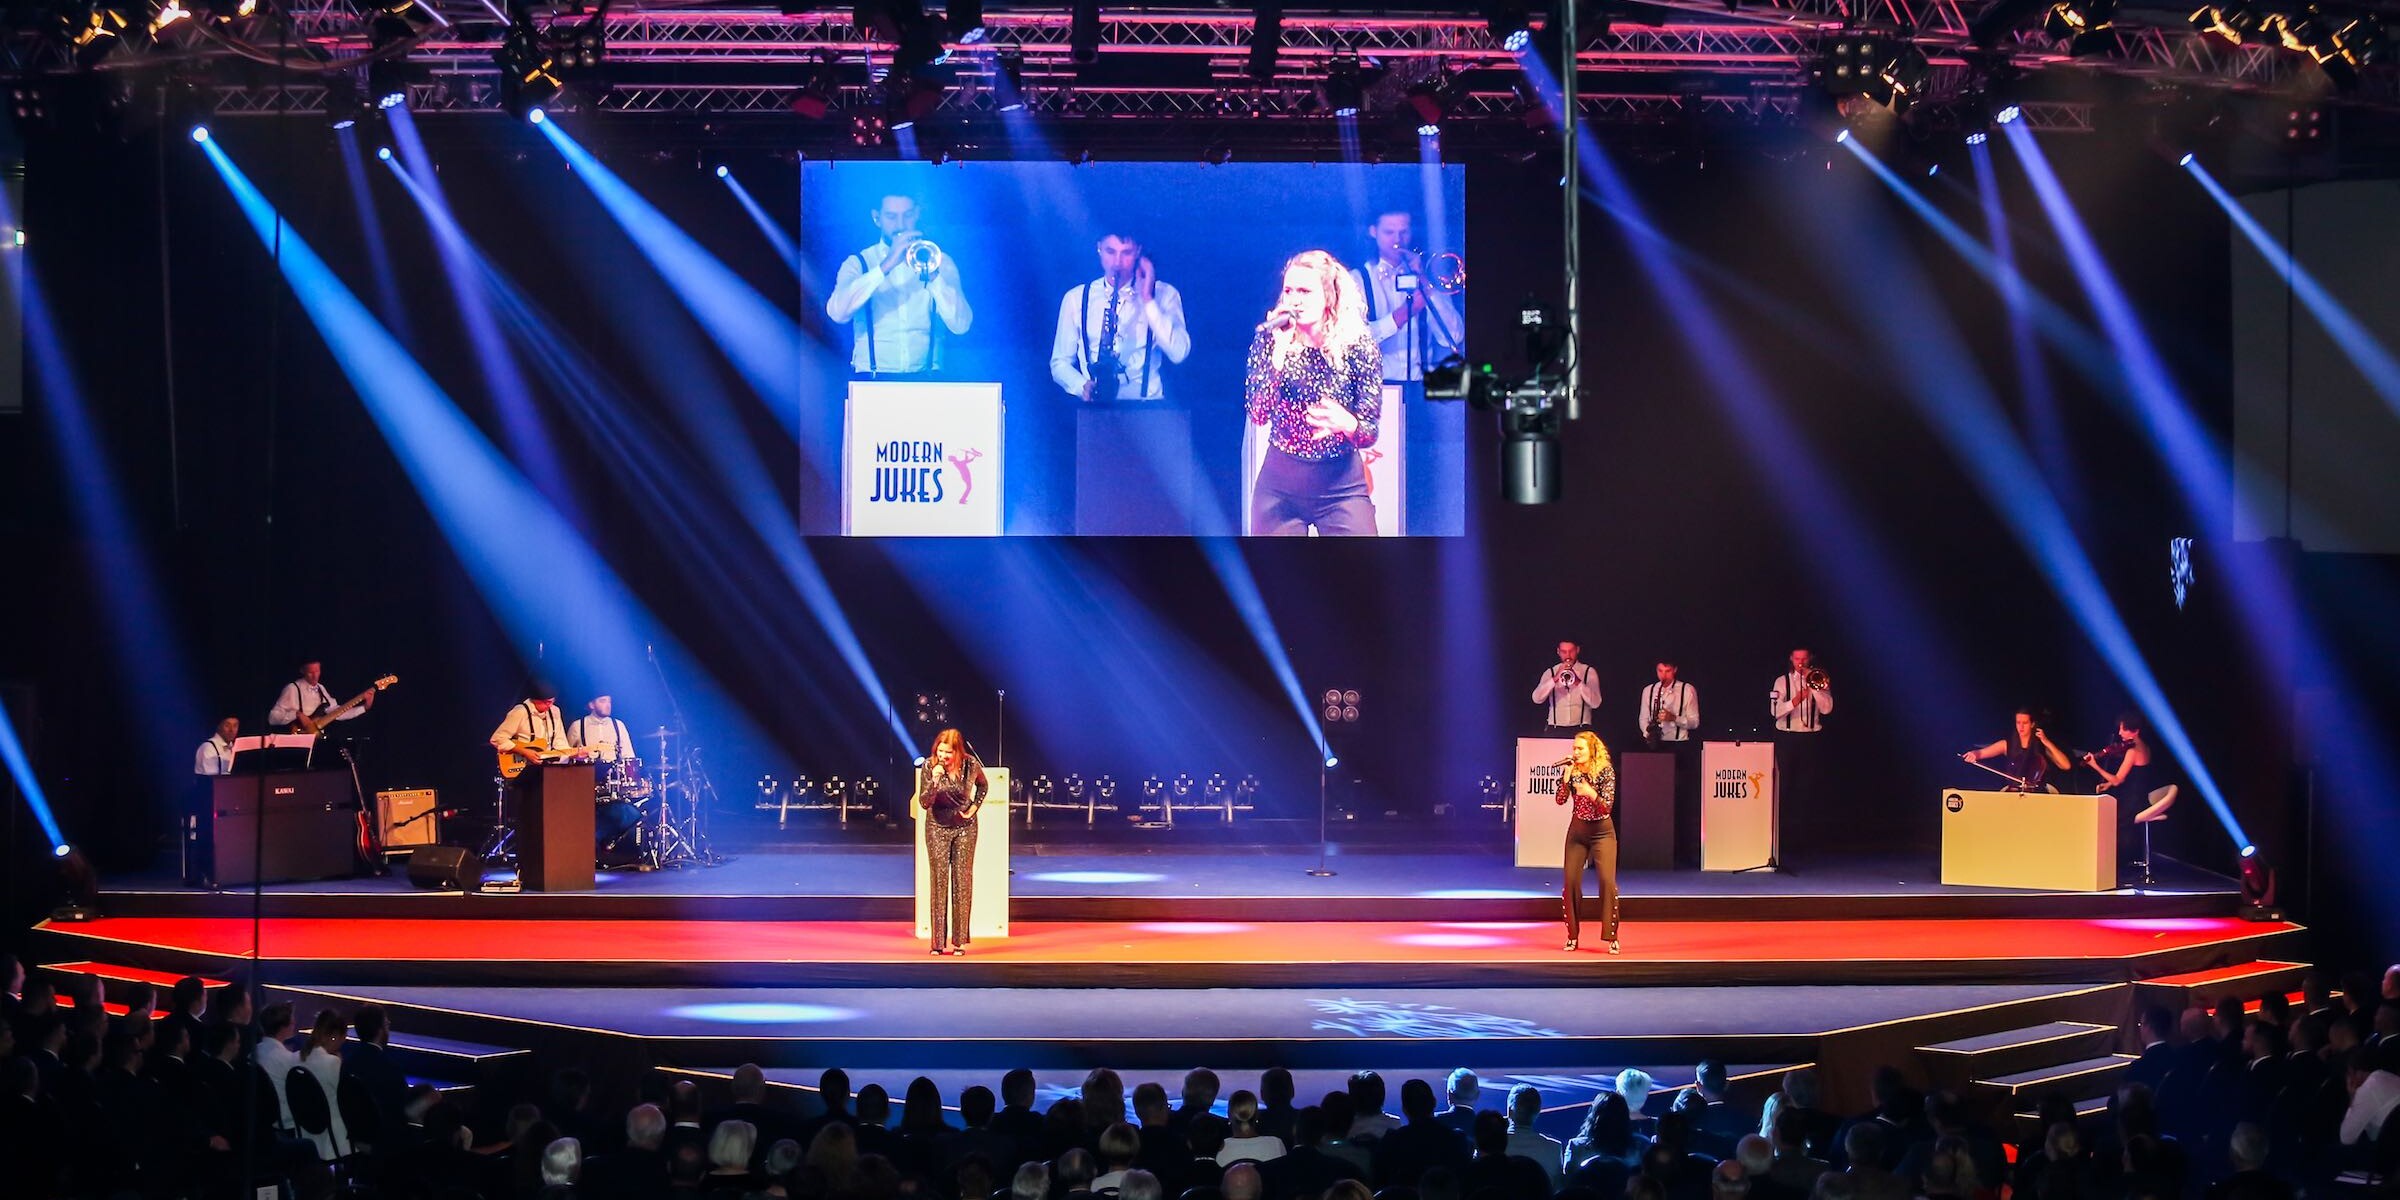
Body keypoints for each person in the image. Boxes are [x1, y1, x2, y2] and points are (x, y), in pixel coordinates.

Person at [1243, 248, 1383, 536]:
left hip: (1341, 486)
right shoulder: (1269, 340)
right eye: (1289, 290)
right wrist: (1279, 353)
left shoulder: (1358, 346)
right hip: (1280, 488)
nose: (1294, 299)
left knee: (1361, 575)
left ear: (1328, 296)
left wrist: (1348, 423)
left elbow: (1369, 432)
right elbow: (1258, 412)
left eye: (1305, 291)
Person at [1349, 209, 1466, 535]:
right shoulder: (1359, 279)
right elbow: (1355, 337)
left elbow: (1452, 335)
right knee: (1385, 472)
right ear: (1373, 231)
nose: (1398, 241)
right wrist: (1401, 316)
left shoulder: (1423, 277)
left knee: (1424, 470)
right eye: (1389, 232)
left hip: (1422, 387)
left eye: (1404, 232)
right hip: (1380, 388)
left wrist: (1430, 290)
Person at [824, 193, 972, 377]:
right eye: (891, 216)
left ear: (918, 213)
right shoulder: (859, 263)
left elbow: (961, 325)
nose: (900, 225)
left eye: (908, 215)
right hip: (872, 379)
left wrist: (934, 276)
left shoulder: (940, 261)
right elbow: (837, 313)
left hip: (927, 378)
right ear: (876, 218)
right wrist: (885, 266)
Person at [1051, 232, 1192, 402]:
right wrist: (1081, 385)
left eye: (1126, 253)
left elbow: (1179, 353)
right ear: (1099, 249)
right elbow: (1060, 363)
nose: (1117, 263)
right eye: (1110, 252)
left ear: (1138, 252)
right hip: (1096, 411)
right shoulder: (1076, 298)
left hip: (1149, 411)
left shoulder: (1164, 294)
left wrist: (1148, 300)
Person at [913, 727, 988, 955]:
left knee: (962, 882)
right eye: (940, 751)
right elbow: (925, 802)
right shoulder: (929, 766)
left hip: (965, 827)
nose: (943, 756)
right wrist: (934, 780)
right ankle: (937, 943)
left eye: (948, 752)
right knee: (939, 881)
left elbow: (983, 786)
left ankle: (959, 942)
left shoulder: (971, 765)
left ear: (958, 752)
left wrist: (975, 807)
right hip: (937, 827)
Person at [1554, 730, 1621, 953]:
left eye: (1580, 748)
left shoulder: (1605, 771)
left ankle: (1611, 936)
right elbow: (1560, 800)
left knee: (1606, 882)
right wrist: (1565, 780)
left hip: (1602, 831)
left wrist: (1590, 792)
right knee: (1570, 882)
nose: (1575, 752)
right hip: (1578, 831)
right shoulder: (1572, 771)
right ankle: (1572, 935)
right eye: (1574, 748)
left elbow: (1607, 807)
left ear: (1592, 750)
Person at [1961, 709, 2073, 792]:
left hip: (2038, 793)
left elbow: (2066, 765)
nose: (2021, 727)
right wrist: (1974, 754)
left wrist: (2047, 742)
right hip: (2013, 792)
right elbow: (1982, 753)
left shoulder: (2041, 745)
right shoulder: (2007, 744)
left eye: (2025, 723)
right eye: (2018, 722)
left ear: (2032, 724)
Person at [269, 660, 375, 733]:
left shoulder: (321, 689)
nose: (315, 676)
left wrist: (364, 707)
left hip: (316, 739)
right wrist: (297, 714)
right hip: (296, 741)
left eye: (317, 671)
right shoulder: (292, 689)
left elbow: (337, 713)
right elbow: (272, 718)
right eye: (311, 672)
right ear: (303, 671)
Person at [490, 680, 576, 767]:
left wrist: (572, 754)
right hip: (523, 765)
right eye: (547, 702)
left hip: (548, 766)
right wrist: (524, 752)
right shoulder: (520, 712)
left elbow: (560, 741)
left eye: (552, 701)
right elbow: (497, 739)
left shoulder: (555, 711)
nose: (550, 705)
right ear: (535, 700)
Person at [1533, 641, 1604, 733]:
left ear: (1577, 650)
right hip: (1555, 729)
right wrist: (1555, 678)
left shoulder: (1588, 672)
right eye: (1564, 652)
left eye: (1571, 651)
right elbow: (1536, 699)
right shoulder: (1550, 672)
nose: (1568, 656)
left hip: (1582, 729)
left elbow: (1596, 703)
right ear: (1558, 652)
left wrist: (1578, 682)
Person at [1768, 649, 1831, 734]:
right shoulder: (1781, 681)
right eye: (1797, 659)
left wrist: (1813, 685)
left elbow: (1826, 710)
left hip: (1813, 735)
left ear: (1810, 658)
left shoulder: (1819, 679)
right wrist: (1795, 701)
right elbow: (1775, 712)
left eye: (1804, 659)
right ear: (1791, 658)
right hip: (1786, 735)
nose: (1801, 662)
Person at [568, 695, 635, 764]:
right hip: (587, 772)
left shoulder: (619, 725)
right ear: (592, 705)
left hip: (613, 772)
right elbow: (566, 755)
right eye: (603, 701)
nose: (608, 705)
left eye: (609, 702)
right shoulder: (577, 725)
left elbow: (628, 755)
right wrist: (575, 756)